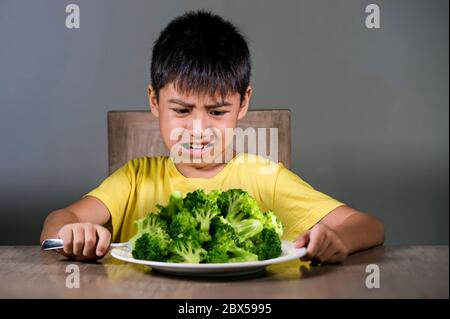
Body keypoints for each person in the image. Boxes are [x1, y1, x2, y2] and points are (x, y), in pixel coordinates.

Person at [40, 10, 384, 264]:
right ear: (154, 101)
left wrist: (338, 239)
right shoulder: (134, 180)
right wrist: (74, 233)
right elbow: (56, 223)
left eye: (217, 112)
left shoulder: (266, 179)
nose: (199, 130)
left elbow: (368, 225)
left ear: (243, 102)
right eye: (182, 110)